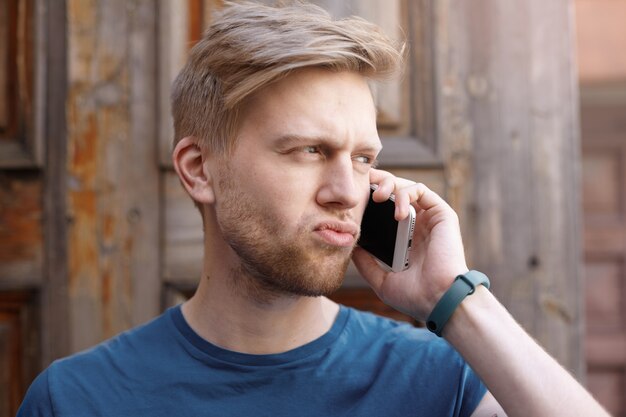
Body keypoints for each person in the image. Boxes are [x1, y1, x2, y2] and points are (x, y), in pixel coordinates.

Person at [19, 2, 608, 416]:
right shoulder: (77, 399)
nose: (348, 191)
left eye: (362, 158)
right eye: (310, 151)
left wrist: (454, 300)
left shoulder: (435, 381)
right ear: (199, 169)